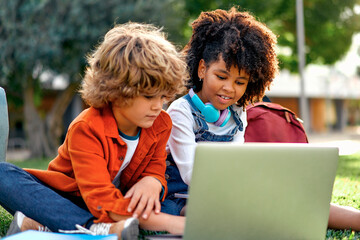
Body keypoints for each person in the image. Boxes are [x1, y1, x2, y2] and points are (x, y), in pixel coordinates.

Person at [161, 7, 360, 232]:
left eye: (240, 82)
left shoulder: (238, 112)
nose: (229, 89)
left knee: (302, 203)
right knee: (230, 215)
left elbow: (238, 162)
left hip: (228, 193)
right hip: (183, 199)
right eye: (221, 76)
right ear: (202, 68)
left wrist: (255, 190)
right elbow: (191, 174)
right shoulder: (180, 112)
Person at [0, 22, 187, 240]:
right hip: (68, 198)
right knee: (3, 175)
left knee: (169, 208)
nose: (158, 106)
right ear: (116, 91)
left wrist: (154, 180)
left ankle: (44, 225)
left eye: (163, 96)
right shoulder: (86, 128)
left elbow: (156, 167)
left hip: (120, 199)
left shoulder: (161, 123)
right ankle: (95, 228)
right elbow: (100, 198)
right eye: (148, 97)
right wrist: (171, 224)